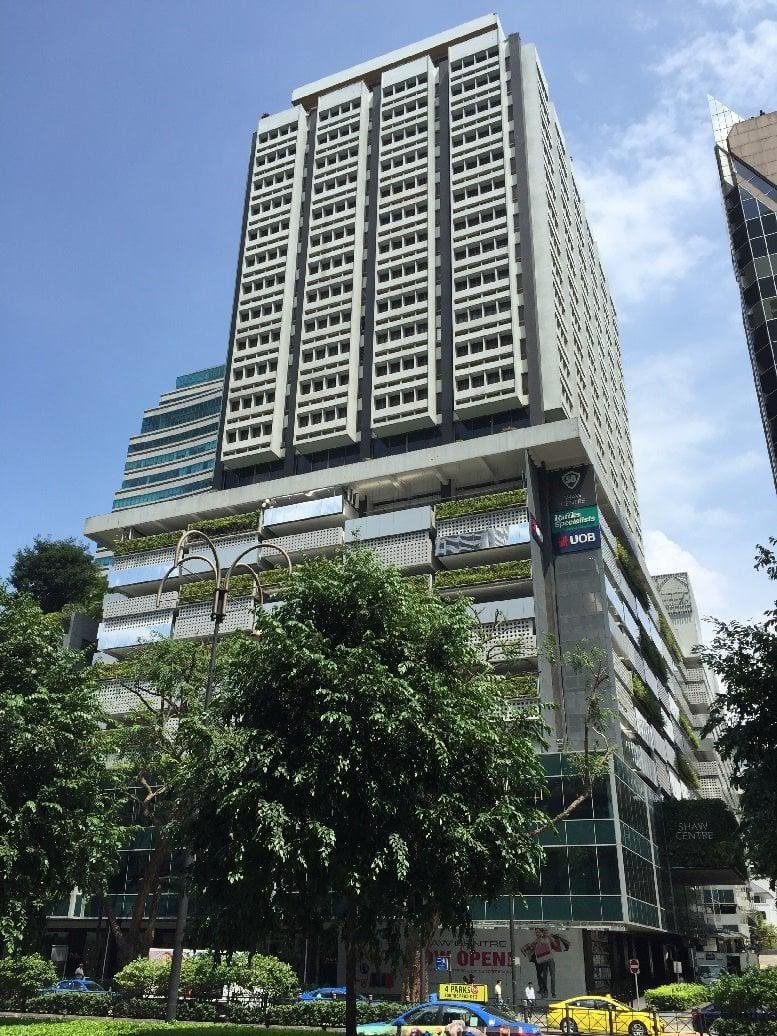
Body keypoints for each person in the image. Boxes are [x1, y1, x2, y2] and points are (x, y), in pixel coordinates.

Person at [521, 928, 569, 998]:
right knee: (545, 976)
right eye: (545, 931)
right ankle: (545, 992)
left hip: (550, 958)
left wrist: (552, 941)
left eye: (547, 931)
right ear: (543, 932)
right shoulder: (540, 939)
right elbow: (534, 946)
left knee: (552, 976)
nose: (546, 932)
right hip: (544, 959)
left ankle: (553, 992)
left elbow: (555, 946)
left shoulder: (549, 938)